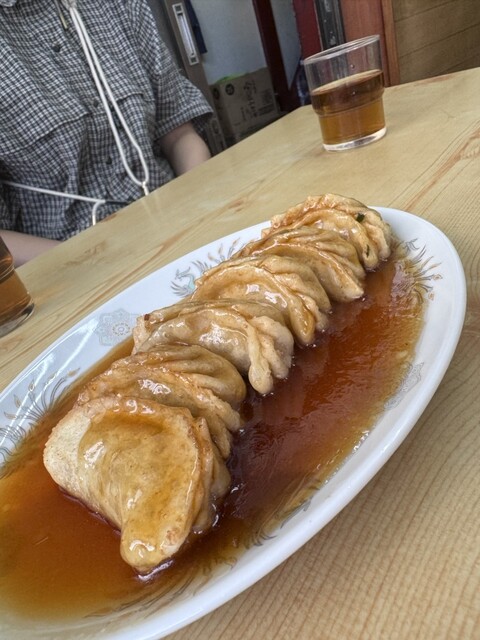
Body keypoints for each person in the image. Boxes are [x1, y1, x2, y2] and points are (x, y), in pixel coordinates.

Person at [0, 0, 213, 265]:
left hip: (178, 223)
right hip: (68, 268)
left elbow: (179, 133)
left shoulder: (116, 5)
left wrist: (200, 211)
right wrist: (98, 262)